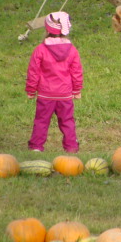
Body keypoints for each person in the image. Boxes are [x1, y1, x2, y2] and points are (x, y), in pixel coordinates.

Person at [26, 11, 83, 153]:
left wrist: (31, 90)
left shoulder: (40, 50)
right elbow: (76, 72)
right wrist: (77, 90)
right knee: (67, 121)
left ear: (47, 29)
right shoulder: (72, 50)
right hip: (65, 94)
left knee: (41, 121)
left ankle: (36, 147)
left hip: (46, 94)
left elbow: (34, 71)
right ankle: (71, 147)